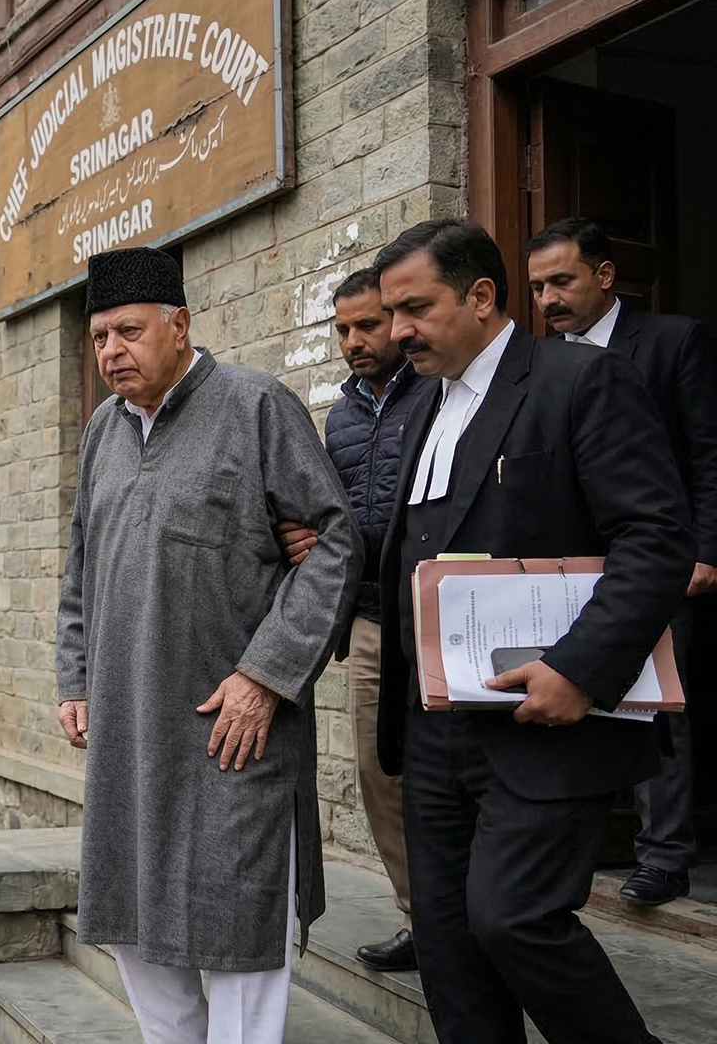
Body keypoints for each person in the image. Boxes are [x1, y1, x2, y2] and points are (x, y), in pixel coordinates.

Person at [374, 219, 691, 1044]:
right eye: (390, 312)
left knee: (514, 919)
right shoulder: (421, 410)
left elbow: (657, 539)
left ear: (481, 297)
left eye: (416, 307)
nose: (398, 330)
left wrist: (581, 669)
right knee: (447, 948)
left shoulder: (583, 381)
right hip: (435, 729)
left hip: (544, 722)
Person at [53, 246, 360, 1044]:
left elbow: (333, 544)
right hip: (128, 730)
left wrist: (267, 676)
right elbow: (82, 561)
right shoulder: (101, 432)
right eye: (98, 340)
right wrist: (74, 676)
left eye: (127, 332)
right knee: (136, 933)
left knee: (237, 931)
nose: (111, 352)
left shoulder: (257, 406)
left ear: (180, 324)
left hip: (232, 732)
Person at [527, 216, 717, 908]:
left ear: (605, 276)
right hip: (572, 571)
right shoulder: (537, 363)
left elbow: (707, 451)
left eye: (562, 281)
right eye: (539, 286)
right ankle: (576, 853)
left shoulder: (673, 343)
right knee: (577, 700)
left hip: (656, 563)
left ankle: (664, 855)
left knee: (657, 706)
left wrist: (703, 550)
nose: (548, 299)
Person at [281, 268, 430, 972]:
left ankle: (473, 921)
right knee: (379, 774)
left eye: (367, 325)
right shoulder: (339, 417)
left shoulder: (438, 393)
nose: (354, 342)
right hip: (369, 623)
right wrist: (301, 537)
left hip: (439, 618)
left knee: (457, 776)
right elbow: (327, 516)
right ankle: (421, 921)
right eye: (342, 330)